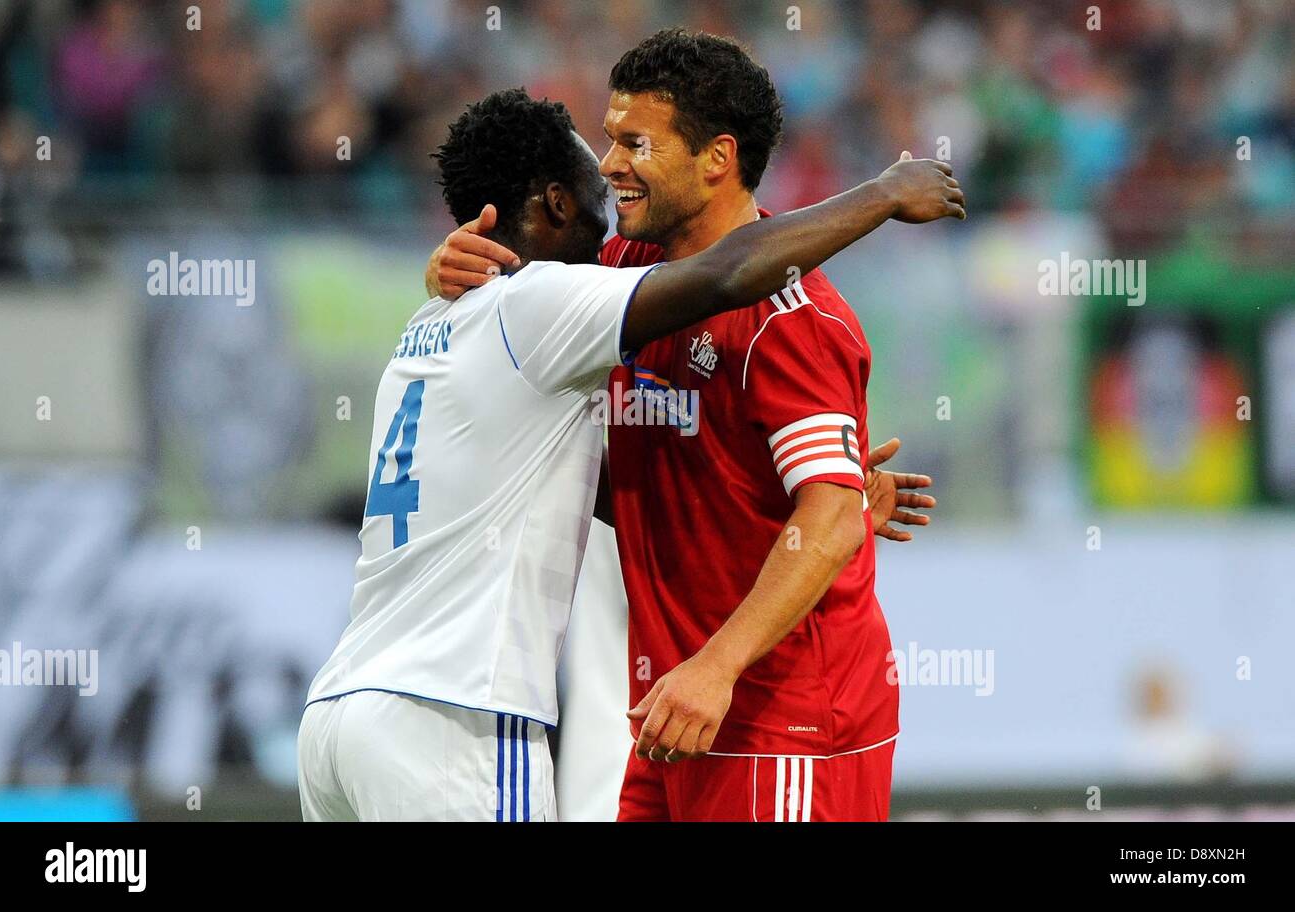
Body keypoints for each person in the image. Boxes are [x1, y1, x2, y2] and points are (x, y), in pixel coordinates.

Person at [299, 84, 963, 821]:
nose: (613, 174)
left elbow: (613, 477)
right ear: (555, 203)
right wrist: (881, 196)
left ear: (717, 157)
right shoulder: (543, 304)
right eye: (601, 159)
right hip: (454, 716)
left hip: (341, 714)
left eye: (633, 144)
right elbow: (728, 273)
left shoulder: (435, 319)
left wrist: (801, 493)